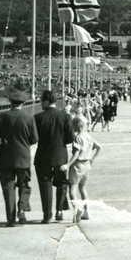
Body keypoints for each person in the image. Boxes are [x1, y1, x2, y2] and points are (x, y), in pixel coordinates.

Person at [0, 82, 39, 226]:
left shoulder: (1, 117)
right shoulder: (29, 118)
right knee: (24, 185)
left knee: (8, 188)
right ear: (23, 103)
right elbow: (34, 139)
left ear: (11, 102)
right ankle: (22, 209)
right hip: (23, 157)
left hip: (5, 158)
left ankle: (10, 220)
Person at [34, 89, 74, 224]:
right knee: (62, 183)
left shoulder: (37, 117)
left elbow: (34, 138)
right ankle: (60, 211)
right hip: (60, 155)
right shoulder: (65, 117)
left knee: (45, 185)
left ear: (45, 101)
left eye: (40, 101)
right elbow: (70, 138)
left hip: (43, 156)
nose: (40, 104)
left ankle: (47, 215)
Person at [67, 113, 101, 223]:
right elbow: (99, 147)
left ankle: (78, 209)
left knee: (72, 189)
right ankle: (87, 211)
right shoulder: (89, 137)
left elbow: (76, 153)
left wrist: (67, 164)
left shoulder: (77, 138)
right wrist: (92, 159)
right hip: (87, 165)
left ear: (77, 125)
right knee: (83, 188)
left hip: (78, 165)